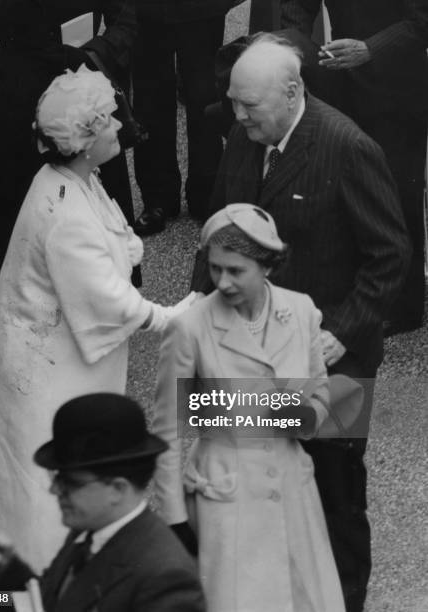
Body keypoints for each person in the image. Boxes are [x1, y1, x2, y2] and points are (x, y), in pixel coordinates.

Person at [190, 35, 411, 611]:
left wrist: (342, 332)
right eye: (234, 103)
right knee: (262, 472)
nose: (237, 117)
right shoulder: (247, 134)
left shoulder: (348, 147)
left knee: (335, 490)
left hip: (334, 355)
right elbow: (219, 227)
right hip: (255, 351)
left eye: (249, 106)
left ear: (292, 93)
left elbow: (390, 254)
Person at [0, 66, 196, 571]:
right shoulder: (66, 212)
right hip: (46, 376)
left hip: (38, 360)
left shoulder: (67, 178)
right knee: (45, 490)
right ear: (86, 139)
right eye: (109, 119)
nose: (119, 126)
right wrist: (173, 315)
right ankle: (37, 588)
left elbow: (115, 238)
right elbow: (110, 298)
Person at [152, 204, 345, 612]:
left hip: (292, 491)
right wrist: (173, 517)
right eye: (216, 268)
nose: (222, 282)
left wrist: (308, 415)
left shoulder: (302, 311)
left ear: (267, 266)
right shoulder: (189, 328)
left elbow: (321, 390)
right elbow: (168, 428)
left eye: (235, 271)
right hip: (226, 497)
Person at [0, 0, 139, 295]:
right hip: (15, 100)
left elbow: (127, 18)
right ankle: (23, 306)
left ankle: (102, 300)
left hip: (80, 86)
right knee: (15, 213)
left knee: (93, 211)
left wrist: (96, 52)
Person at [0, 393, 206, 612]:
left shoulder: (166, 578)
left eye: (70, 482)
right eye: (56, 477)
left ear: (117, 489)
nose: (54, 489)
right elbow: (46, 604)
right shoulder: (87, 532)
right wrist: (4, 570)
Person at [280, 0, 428, 335]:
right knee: (358, 193)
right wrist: (296, 47)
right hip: (346, 82)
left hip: (400, 88)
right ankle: (366, 288)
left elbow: (422, 22)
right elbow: (297, 5)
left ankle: (405, 305)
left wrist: (370, 49)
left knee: (398, 195)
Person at [132, 0, 242, 235]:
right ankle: (158, 198)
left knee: (204, 98)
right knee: (150, 97)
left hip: (203, 9)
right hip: (145, 11)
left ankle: (206, 193)